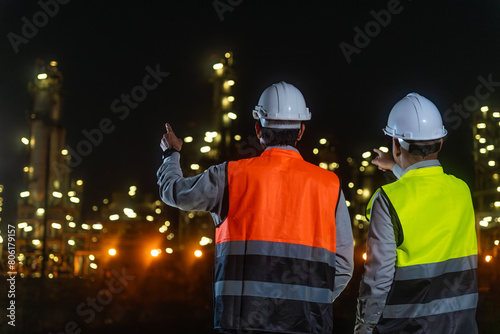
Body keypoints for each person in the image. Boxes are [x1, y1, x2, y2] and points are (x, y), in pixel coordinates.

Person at [157, 81, 354, 333]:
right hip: (308, 325)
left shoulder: (229, 175)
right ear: (301, 130)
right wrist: (312, 303)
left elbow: (173, 192)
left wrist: (171, 155)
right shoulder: (330, 185)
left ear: (258, 129)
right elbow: (344, 265)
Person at [355, 93, 478, 334]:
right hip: (459, 325)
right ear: (441, 142)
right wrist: (395, 165)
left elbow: (377, 280)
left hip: (406, 328)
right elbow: (425, 189)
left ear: (395, 144)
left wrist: (364, 327)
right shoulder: (462, 191)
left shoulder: (387, 200)